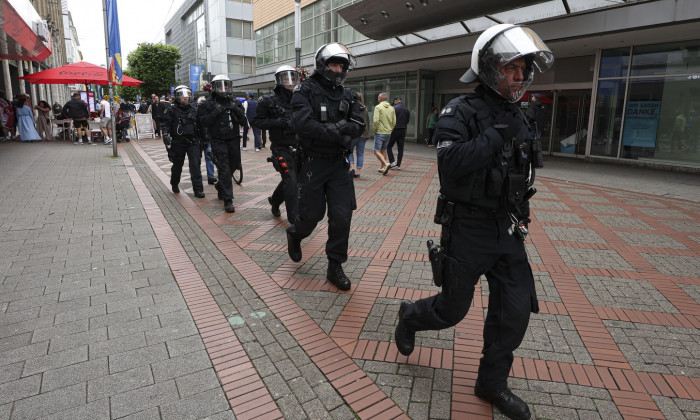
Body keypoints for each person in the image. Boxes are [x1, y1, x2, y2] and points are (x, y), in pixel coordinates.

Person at [393, 23, 553, 420]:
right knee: (452, 310)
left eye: (523, 69)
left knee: (514, 312)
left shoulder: (520, 114)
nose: (519, 76)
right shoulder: (459, 110)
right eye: (511, 68)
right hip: (467, 229)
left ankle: (491, 383)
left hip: (508, 229)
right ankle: (410, 317)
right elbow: (450, 165)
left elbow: (522, 174)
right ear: (488, 68)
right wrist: (498, 135)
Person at [286, 42, 364, 290]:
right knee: (311, 216)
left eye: (342, 65)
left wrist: (338, 130)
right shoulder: (304, 90)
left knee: (342, 217)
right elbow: (303, 125)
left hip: (339, 165)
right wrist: (339, 129)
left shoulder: (349, 94)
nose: (339, 70)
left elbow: (359, 125)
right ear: (322, 64)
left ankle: (335, 265)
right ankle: (295, 234)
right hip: (313, 163)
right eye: (334, 64)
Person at [253, 65, 300, 222]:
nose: (290, 82)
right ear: (279, 80)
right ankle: (294, 219)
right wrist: (276, 122)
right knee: (291, 180)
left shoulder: (300, 99)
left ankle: (274, 200)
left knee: (293, 180)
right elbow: (257, 121)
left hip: (299, 146)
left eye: (293, 78)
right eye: (286, 78)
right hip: (281, 148)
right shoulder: (268, 100)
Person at [197, 74, 248, 213]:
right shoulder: (207, 104)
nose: (223, 89)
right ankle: (228, 199)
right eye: (220, 86)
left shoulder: (235, 102)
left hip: (233, 139)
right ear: (214, 88)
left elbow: (244, 122)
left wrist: (235, 109)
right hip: (217, 140)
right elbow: (203, 122)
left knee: (234, 164)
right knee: (224, 168)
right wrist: (217, 111)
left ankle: (221, 185)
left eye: (226, 85)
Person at [162, 85, 205, 199]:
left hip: (193, 141)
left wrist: (204, 140)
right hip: (178, 142)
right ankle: (174, 183)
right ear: (177, 97)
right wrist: (165, 135)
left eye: (187, 95)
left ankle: (198, 189)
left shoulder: (194, 110)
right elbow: (166, 124)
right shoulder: (171, 110)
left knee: (195, 165)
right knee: (177, 165)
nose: (185, 98)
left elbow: (201, 126)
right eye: (182, 95)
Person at [372, 92, 395, 175]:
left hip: (380, 132)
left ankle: (385, 163)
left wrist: (375, 130)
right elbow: (394, 121)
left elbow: (376, 121)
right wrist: (390, 129)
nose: (378, 99)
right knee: (384, 150)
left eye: (378, 97)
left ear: (380, 99)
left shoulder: (378, 107)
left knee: (376, 151)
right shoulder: (392, 108)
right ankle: (382, 167)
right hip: (388, 133)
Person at [348, 92, 369, 178]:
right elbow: (367, 122)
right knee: (360, 153)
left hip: (354, 133)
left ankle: (351, 167)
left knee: (349, 150)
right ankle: (358, 172)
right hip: (363, 134)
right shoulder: (365, 109)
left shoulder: (352, 108)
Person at [197, 96, 217, 185]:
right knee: (197, 159)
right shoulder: (194, 113)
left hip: (207, 138)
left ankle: (211, 176)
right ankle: (198, 176)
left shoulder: (208, 114)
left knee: (209, 156)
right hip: (198, 139)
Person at [387, 96, 410, 170]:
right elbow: (407, 121)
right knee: (400, 148)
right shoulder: (407, 109)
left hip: (395, 129)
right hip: (403, 130)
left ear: (396, 100)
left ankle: (392, 162)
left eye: (394, 102)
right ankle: (398, 165)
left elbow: (391, 120)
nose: (393, 103)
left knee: (389, 146)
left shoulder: (394, 108)